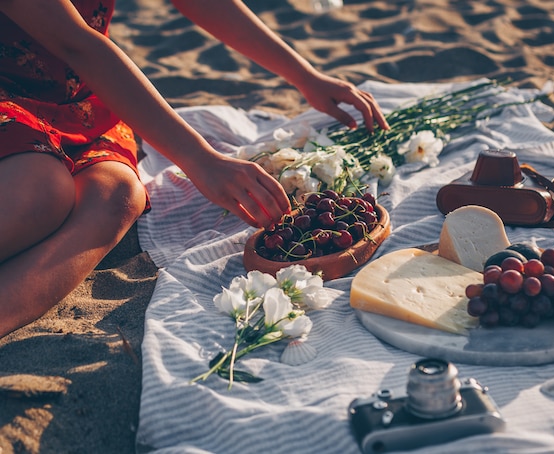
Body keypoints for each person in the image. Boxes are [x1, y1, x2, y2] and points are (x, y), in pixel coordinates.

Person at [0, 0, 388, 338]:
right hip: (13, 89)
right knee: (42, 192)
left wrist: (306, 76)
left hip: (84, 102)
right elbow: (76, 42)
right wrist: (201, 160)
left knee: (119, 196)